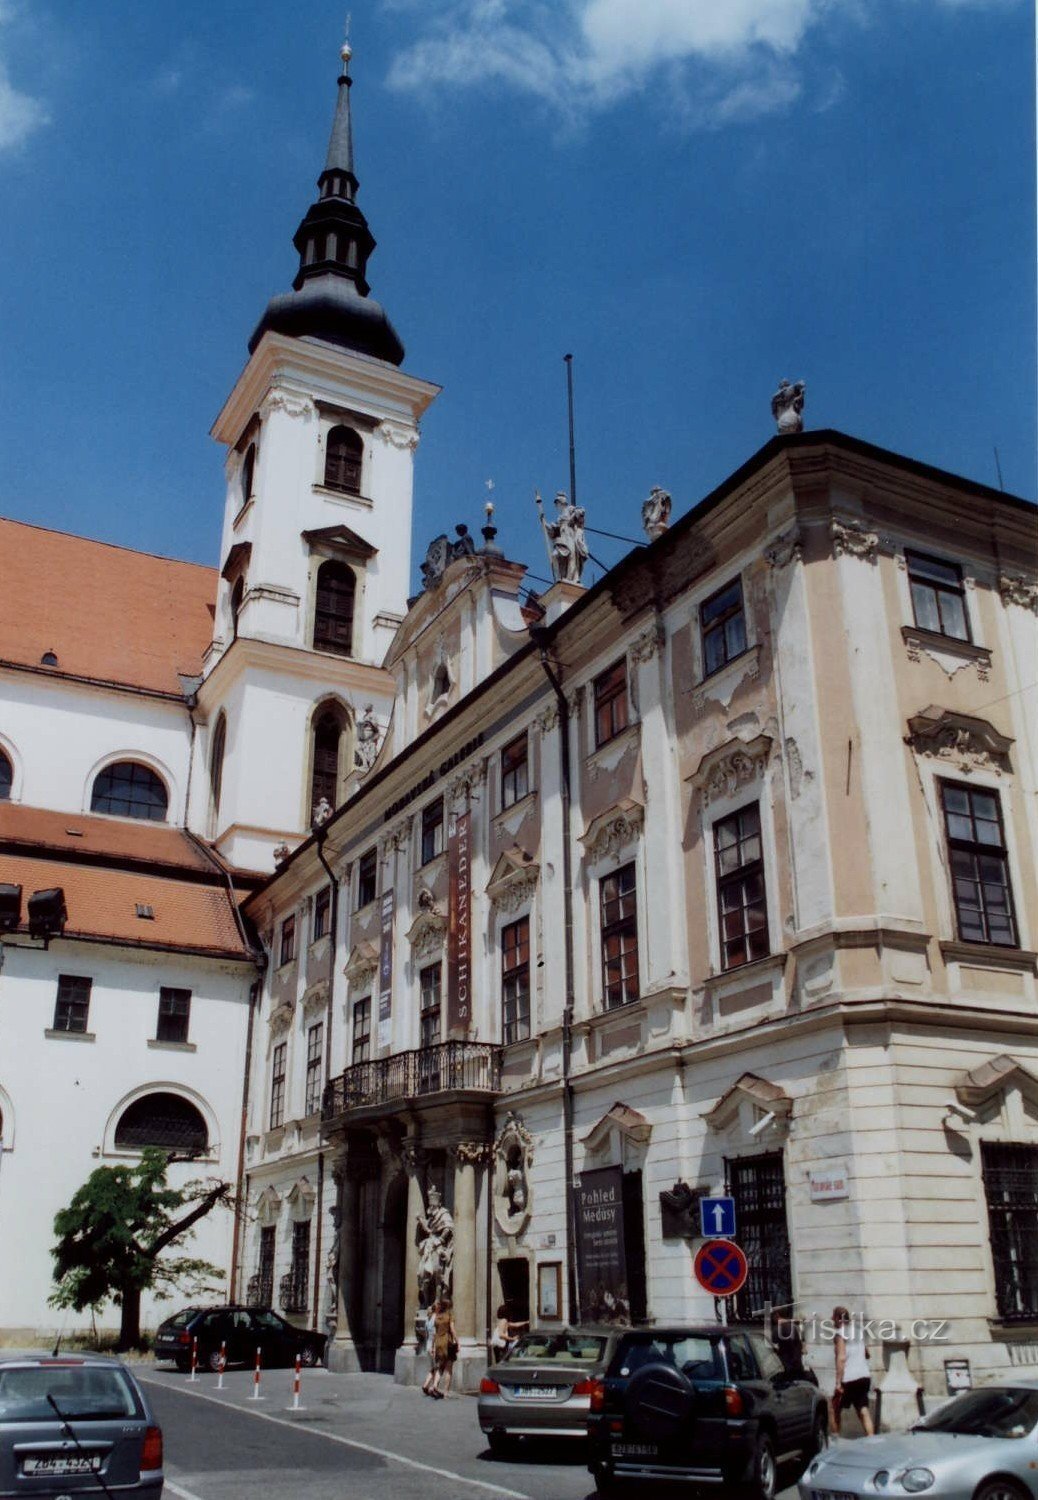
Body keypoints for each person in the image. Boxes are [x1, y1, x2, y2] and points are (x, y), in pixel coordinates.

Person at [832, 1305, 874, 1436]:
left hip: (849, 1378)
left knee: (834, 1408)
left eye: (833, 1317)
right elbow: (867, 1353)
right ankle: (872, 1438)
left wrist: (838, 1382)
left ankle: (835, 1440)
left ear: (838, 1319)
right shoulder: (858, 1331)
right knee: (863, 1409)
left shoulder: (840, 1334)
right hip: (864, 1376)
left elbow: (841, 1358)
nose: (832, 1320)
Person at [427, 1297, 458, 1399]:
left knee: (440, 1366)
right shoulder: (450, 1315)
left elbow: (434, 1333)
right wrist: (458, 1341)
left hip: (438, 1342)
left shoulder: (437, 1316)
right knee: (449, 1369)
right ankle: (446, 1392)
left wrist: (432, 1346)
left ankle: (435, 1386)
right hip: (447, 1342)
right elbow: (452, 1330)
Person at [420, 1302, 439, 1396]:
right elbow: (435, 1334)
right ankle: (433, 1388)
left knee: (432, 1368)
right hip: (433, 1346)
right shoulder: (435, 1319)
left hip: (428, 1345)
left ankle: (426, 1385)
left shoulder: (427, 1319)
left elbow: (425, 1334)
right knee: (436, 1368)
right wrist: (434, 1347)